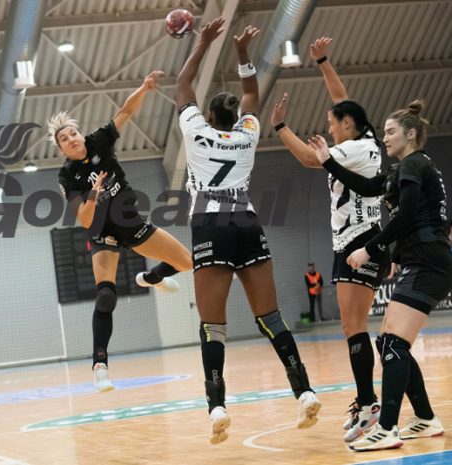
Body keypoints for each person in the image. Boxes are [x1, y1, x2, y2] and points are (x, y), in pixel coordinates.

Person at [175, 18, 320, 444]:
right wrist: (241, 53)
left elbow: (182, 86)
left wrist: (203, 43)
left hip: (210, 225)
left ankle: (217, 406)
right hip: (246, 221)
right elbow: (253, 95)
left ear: (208, 116)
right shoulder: (246, 134)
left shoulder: (195, 131)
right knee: (271, 317)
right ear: (235, 117)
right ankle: (304, 392)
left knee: (212, 325)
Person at [307, 100, 450, 451]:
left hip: (429, 261)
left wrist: (369, 249)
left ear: (410, 134)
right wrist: (327, 162)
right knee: (388, 342)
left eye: (390, 132)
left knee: (394, 343)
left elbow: (406, 216)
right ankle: (425, 418)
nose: (384, 138)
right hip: (420, 260)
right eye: (383, 132)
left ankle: (387, 428)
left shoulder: (414, 164)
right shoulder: (402, 169)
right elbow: (368, 187)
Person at [271, 37, 391, 442]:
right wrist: (322, 61)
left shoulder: (350, 151)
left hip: (358, 242)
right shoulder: (367, 142)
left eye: (332, 123)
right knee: (352, 327)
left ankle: (369, 405)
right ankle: (366, 400)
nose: (328, 127)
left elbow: (309, 158)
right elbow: (344, 101)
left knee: (353, 327)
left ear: (347, 126)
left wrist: (280, 128)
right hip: (359, 241)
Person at [48, 70, 193, 392]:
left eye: (73, 133)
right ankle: (100, 366)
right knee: (105, 296)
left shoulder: (99, 141)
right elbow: (85, 220)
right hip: (103, 235)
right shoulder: (67, 176)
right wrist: (95, 193)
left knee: (186, 262)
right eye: (64, 139)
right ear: (61, 149)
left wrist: (144, 88)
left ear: (80, 135)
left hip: (132, 224)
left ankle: (151, 278)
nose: (71, 139)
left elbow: (125, 112)